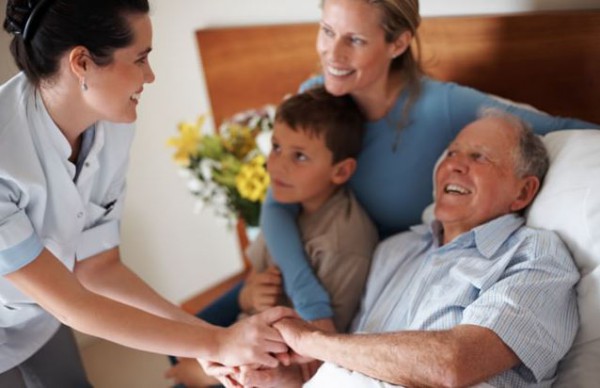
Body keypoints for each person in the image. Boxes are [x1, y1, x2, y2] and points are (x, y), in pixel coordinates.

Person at [198, 0, 599, 339]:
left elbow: (561, 126)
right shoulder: (317, 93)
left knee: (206, 368)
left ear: (398, 43)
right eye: (326, 31)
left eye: (354, 40)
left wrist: (316, 310)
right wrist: (291, 292)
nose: (333, 55)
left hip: (358, 289)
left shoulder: (443, 106)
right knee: (188, 337)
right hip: (297, 270)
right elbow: (278, 202)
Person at [0, 1, 294, 386]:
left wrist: (205, 344)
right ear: (82, 62)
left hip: (39, 318)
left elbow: (97, 267)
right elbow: (74, 304)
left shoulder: (110, 123)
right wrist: (216, 342)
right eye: (140, 59)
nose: (150, 76)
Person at [241, 109, 580, 387]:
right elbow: (356, 360)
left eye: (479, 157)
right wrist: (281, 377)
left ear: (522, 193)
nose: (455, 165)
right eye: (451, 153)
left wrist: (310, 340)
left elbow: (452, 364)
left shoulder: (534, 256)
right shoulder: (395, 250)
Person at [165, 87, 379, 387]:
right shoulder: (290, 203)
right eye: (276, 146)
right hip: (244, 329)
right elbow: (255, 275)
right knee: (173, 347)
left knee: (182, 371)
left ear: (341, 171)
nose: (276, 164)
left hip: (266, 362)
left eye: (300, 156)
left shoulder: (342, 244)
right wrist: (248, 294)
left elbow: (319, 344)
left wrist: (203, 373)